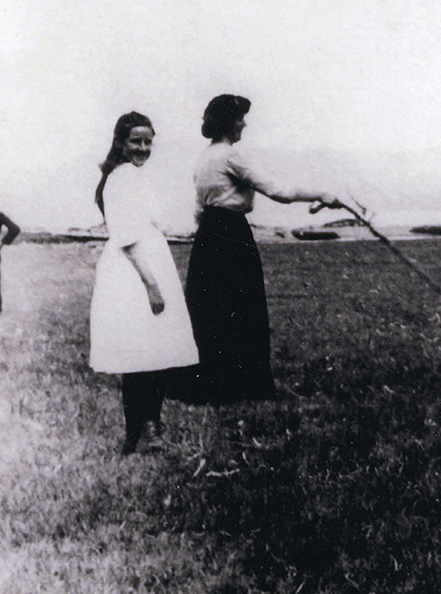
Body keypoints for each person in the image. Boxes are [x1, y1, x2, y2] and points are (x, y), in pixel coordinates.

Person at [170, 94, 347, 405]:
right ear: (228, 122)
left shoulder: (203, 158)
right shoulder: (230, 156)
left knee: (209, 309)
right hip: (232, 234)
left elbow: (199, 210)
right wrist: (324, 193)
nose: (244, 124)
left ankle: (206, 383)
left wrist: (209, 234)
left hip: (208, 237)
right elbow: (279, 191)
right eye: (240, 118)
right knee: (241, 308)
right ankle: (242, 385)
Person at [89, 112, 198, 455]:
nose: (142, 148)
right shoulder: (120, 179)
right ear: (121, 143)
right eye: (135, 141)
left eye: (148, 141)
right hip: (134, 271)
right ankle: (140, 432)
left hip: (150, 263)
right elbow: (128, 237)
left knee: (153, 351)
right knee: (139, 356)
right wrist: (152, 286)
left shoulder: (136, 177)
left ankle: (144, 431)